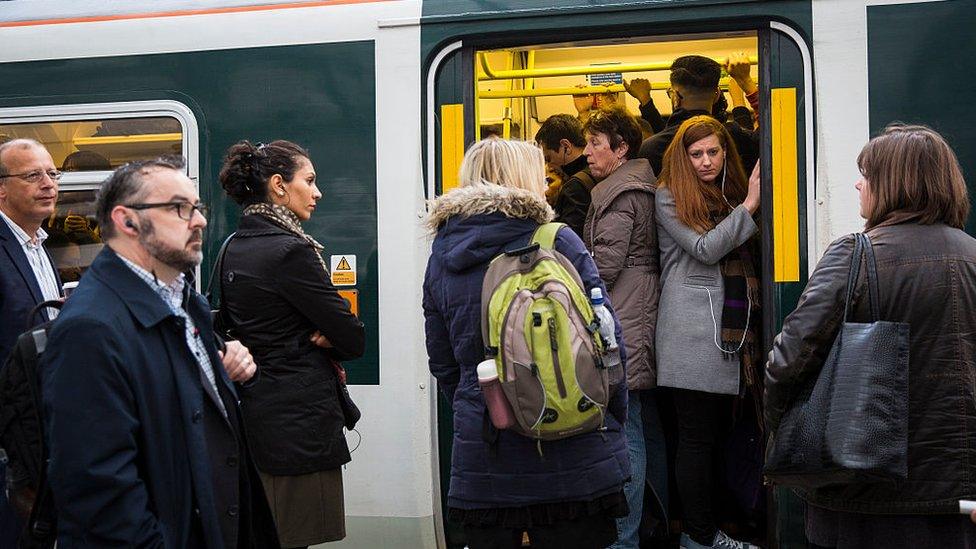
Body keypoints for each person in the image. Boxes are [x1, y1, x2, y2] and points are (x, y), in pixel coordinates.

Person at [41, 156, 279, 548]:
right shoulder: (91, 329)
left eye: (197, 208)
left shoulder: (185, 302)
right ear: (127, 221)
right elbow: (100, 494)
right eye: (179, 208)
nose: (199, 220)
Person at [765, 124, 976, 549]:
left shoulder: (854, 255)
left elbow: (787, 363)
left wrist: (788, 430)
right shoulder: (973, 256)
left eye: (867, 173)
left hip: (860, 496)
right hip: (959, 500)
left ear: (895, 184)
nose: (858, 183)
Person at [423, 138, 630, 549]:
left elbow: (442, 359)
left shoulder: (443, 253)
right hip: (573, 442)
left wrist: (477, 400)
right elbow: (609, 342)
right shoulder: (558, 241)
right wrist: (608, 413)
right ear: (526, 179)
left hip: (487, 445)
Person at [218, 140, 366, 549]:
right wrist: (330, 335)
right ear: (279, 185)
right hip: (298, 423)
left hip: (256, 417)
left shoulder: (232, 246)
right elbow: (352, 337)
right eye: (310, 180)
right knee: (292, 537)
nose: (317, 192)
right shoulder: (292, 251)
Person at [655, 116, 762, 549]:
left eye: (713, 152)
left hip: (721, 334)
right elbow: (706, 248)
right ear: (682, 158)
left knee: (713, 437)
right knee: (696, 438)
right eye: (696, 154)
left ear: (725, 152)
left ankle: (714, 529)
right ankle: (698, 537)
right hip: (690, 332)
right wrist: (751, 205)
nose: (705, 162)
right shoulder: (667, 197)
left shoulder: (726, 195)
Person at [580, 106, 664, 549]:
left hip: (624, 315)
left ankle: (624, 540)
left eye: (596, 143)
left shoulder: (617, 193)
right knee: (645, 427)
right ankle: (655, 525)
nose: (587, 153)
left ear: (621, 147)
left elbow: (603, 267)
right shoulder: (637, 187)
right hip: (640, 309)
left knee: (627, 432)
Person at [0, 138, 62, 546]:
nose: (48, 184)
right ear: (1, 189)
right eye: (33, 175)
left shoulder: (40, 246)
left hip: (41, 424)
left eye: (52, 174)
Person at [639, 55, 759, 177]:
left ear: (675, 96)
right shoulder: (734, 138)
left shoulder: (651, 149)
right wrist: (746, 82)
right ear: (717, 96)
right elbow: (771, 138)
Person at [535, 114, 594, 238]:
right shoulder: (597, 171)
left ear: (566, 147)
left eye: (548, 158)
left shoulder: (574, 187)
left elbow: (568, 240)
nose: (549, 166)